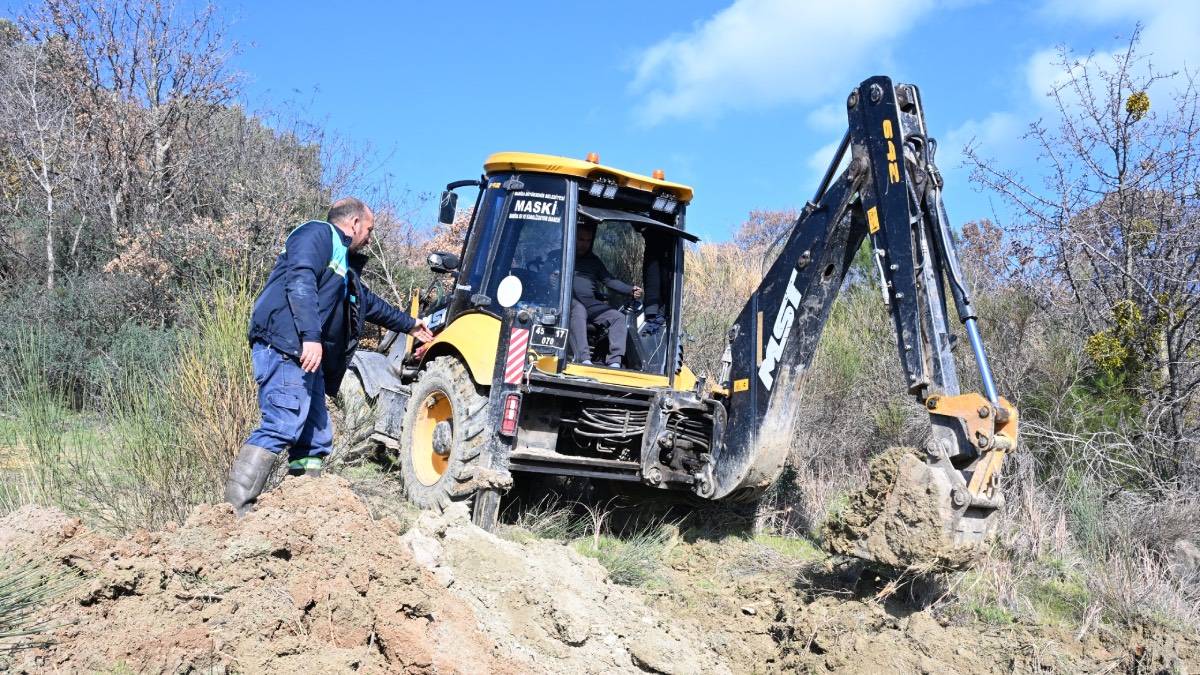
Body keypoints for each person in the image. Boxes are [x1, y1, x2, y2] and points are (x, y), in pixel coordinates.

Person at [225, 198, 434, 516]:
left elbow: (369, 304)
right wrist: (310, 336)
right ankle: (234, 514)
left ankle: (301, 513)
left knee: (315, 437)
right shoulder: (316, 234)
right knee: (281, 423)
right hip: (286, 347)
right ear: (354, 223)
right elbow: (300, 280)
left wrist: (410, 325)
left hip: (307, 359)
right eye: (370, 229)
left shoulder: (344, 267)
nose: (370, 238)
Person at [569, 220, 642, 367]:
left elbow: (609, 280)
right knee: (579, 309)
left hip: (590, 303)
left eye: (588, 241)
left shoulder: (593, 261)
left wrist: (630, 290)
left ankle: (615, 362)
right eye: (581, 239)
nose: (584, 244)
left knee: (618, 317)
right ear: (573, 237)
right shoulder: (561, 255)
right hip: (566, 301)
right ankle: (583, 358)